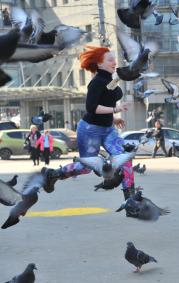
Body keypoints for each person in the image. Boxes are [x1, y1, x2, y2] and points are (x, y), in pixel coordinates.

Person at [39, 46, 135, 201]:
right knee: (87, 168)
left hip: (107, 129)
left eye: (114, 59)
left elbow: (107, 96)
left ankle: (131, 200)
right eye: (110, 60)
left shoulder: (110, 80)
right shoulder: (97, 82)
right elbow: (92, 107)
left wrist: (112, 118)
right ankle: (53, 174)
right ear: (99, 64)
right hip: (90, 130)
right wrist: (116, 109)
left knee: (124, 157)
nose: (114, 62)